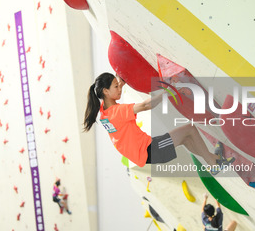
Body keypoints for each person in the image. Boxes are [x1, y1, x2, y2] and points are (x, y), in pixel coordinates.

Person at [83, 72, 234, 169]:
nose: (120, 90)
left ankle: (212, 159)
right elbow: (146, 105)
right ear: (105, 91)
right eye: (116, 87)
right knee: (190, 129)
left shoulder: (104, 112)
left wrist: (119, 84)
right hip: (150, 150)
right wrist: (169, 90)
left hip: (143, 152)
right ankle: (213, 163)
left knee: (187, 139)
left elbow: (114, 103)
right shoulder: (117, 112)